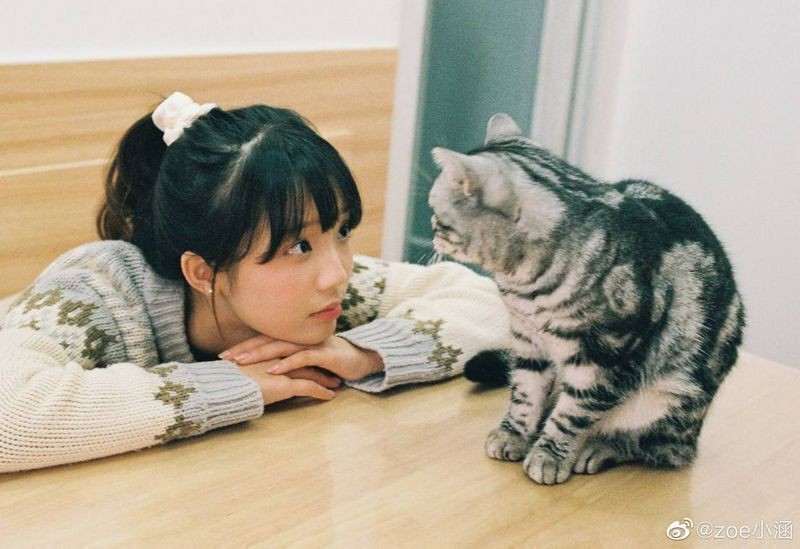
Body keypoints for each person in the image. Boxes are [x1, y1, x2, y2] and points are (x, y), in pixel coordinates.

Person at [0, 92, 510, 473]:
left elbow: (494, 303)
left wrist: (363, 352)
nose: (337, 272)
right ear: (203, 272)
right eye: (298, 246)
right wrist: (231, 385)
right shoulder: (96, 295)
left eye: (341, 231)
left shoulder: (328, 290)